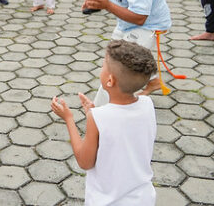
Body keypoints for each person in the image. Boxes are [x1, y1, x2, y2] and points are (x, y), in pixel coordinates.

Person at [51, 40, 157, 205]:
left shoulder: (98, 117)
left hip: (107, 200)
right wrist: (93, 113)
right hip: (142, 198)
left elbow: (85, 162)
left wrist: (69, 119)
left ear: (110, 81)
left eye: (103, 66)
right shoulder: (147, 104)